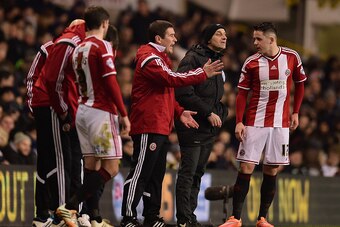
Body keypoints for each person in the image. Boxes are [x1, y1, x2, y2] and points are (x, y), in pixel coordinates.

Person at [120, 20, 224, 227]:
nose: (175, 39)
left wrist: (179, 112)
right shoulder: (149, 58)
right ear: (159, 39)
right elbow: (172, 79)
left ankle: (151, 217)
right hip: (148, 125)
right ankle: (128, 218)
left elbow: (166, 93)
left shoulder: (161, 58)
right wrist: (202, 73)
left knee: (156, 175)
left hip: (161, 125)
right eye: (171, 35)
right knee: (140, 172)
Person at [219, 22, 306, 227]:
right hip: (255, 122)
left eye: (258, 38)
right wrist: (239, 121)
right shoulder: (251, 62)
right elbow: (241, 94)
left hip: (281, 124)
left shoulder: (292, 57)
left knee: (272, 169)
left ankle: (262, 219)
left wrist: (296, 112)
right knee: (247, 166)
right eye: (254, 38)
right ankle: (236, 218)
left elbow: (300, 84)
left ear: (271, 39)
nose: (254, 42)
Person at [55, 7, 130, 227]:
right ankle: (70, 207)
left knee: (91, 167)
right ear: (105, 23)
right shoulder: (103, 45)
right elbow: (110, 82)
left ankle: (92, 216)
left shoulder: (78, 47)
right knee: (112, 167)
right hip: (100, 112)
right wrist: (124, 113)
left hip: (82, 111)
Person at [28, 19, 89, 227]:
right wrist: (36, 108)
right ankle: (57, 213)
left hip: (67, 110)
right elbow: (33, 79)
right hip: (54, 108)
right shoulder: (53, 47)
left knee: (63, 162)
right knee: (55, 161)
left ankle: (57, 213)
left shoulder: (79, 47)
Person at [174, 24, 229, 227]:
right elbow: (183, 92)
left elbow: (216, 98)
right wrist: (208, 113)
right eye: (219, 34)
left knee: (198, 173)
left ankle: (191, 216)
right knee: (188, 173)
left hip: (208, 127)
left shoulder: (217, 60)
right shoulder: (192, 59)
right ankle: (183, 219)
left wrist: (222, 112)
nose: (224, 37)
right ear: (208, 38)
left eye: (225, 34)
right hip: (193, 123)